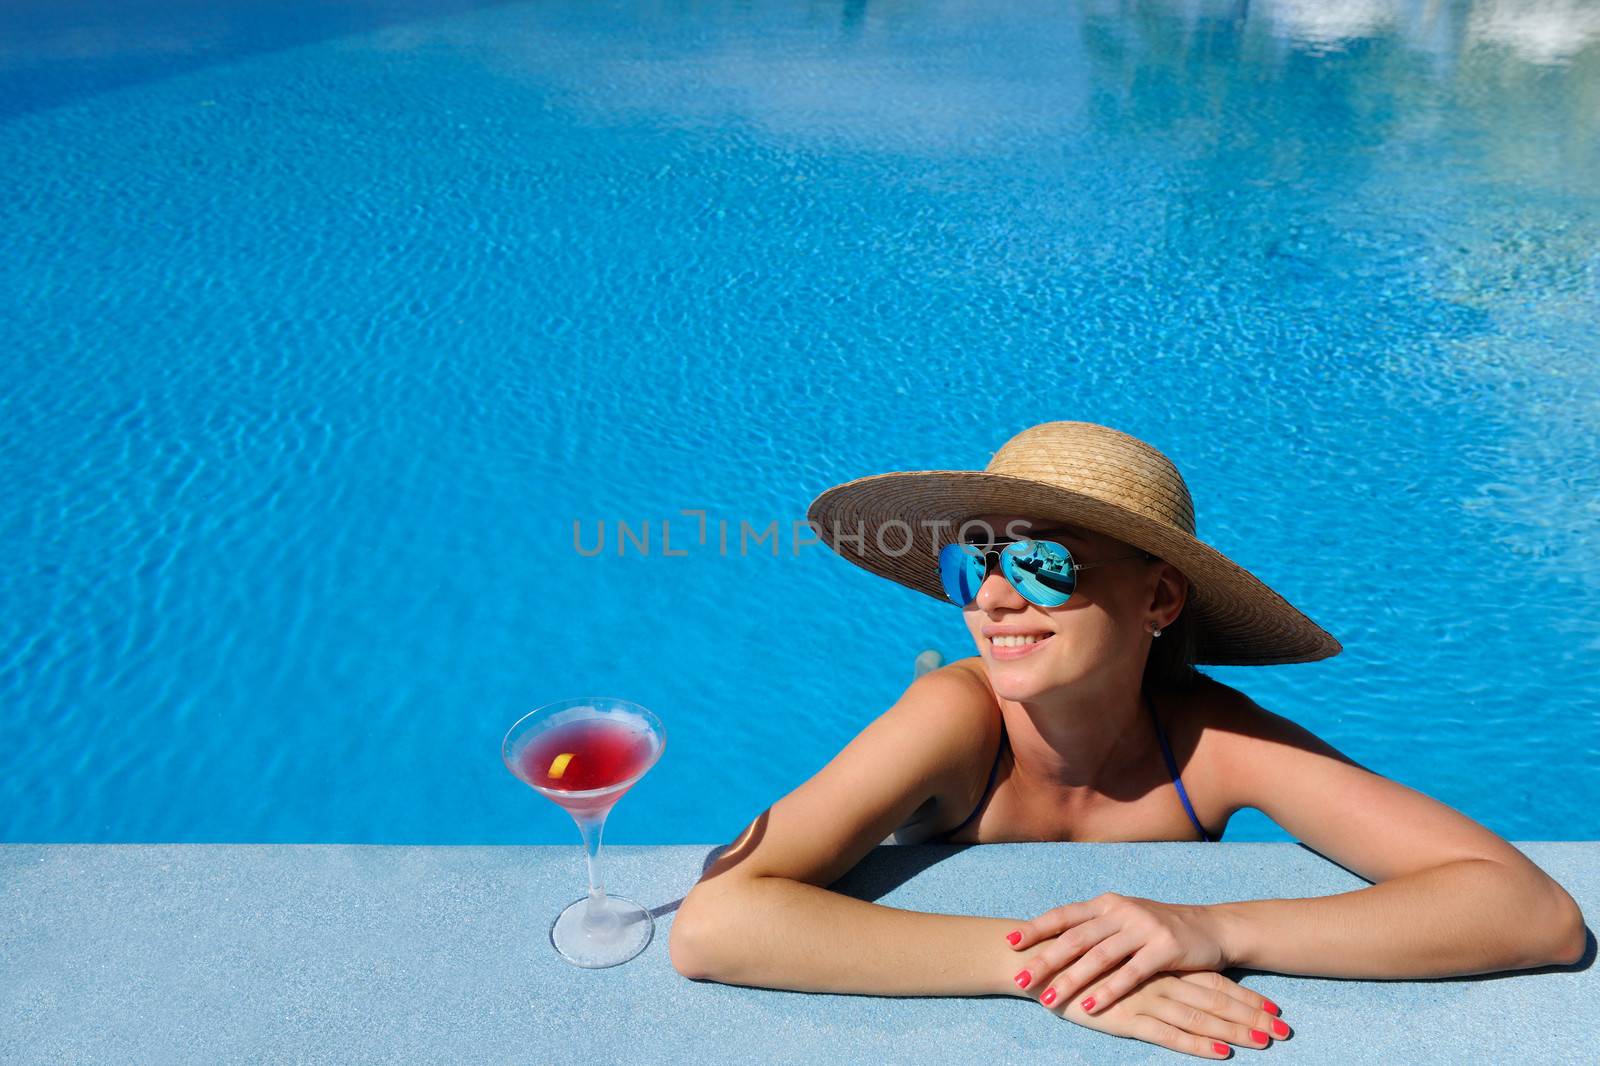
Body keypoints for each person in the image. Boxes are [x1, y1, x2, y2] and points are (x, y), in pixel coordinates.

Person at [668, 421, 1586, 1059]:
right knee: (932, 684)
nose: (990, 598)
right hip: (953, 749)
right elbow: (714, 920)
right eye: (971, 562)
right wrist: (1045, 967)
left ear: (1158, 599)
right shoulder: (959, 718)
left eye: (1042, 564)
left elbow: (1530, 914)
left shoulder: (1210, 741)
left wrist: (1210, 927)